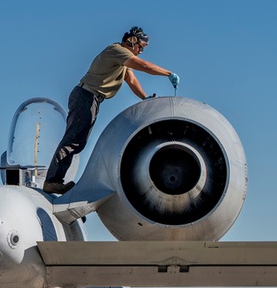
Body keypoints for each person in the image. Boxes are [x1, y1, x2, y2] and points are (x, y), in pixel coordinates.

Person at [42, 26, 180, 195]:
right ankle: (53, 181)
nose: (141, 51)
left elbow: (131, 80)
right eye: (141, 46)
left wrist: (144, 98)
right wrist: (168, 73)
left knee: (78, 140)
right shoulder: (117, 50)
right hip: (86, 96)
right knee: (74, 140)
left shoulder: (122, 59)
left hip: (91, 98)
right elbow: (143, 66)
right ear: (132, 41)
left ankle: (54, 180)